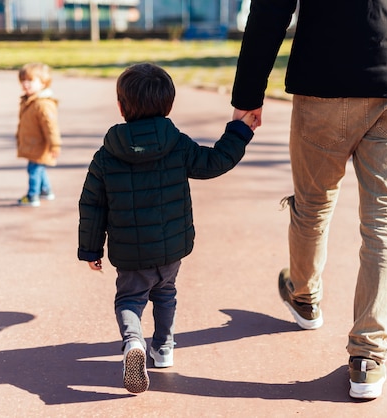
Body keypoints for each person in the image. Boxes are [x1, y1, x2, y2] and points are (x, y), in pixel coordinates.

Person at [231, 0, 387, 399]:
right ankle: (368, 357)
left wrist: (248, 94)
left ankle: (304, 297)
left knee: (312, 204)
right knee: (385, 222)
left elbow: (270, 10)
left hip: (323, 82)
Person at [77, 63, 255, 394]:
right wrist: (240, 130)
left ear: (120, 106)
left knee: (130, 299)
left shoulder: (106, 155)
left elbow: (91, 204)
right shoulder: (177, 144)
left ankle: (134, 343)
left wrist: (90, 249)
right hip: (171, 248)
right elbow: (214, 161)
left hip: (130, 253)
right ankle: (163, 347)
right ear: (168, 105)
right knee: (166, 293)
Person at [15, 62, 62, 207]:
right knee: (39, 169)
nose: (25, 84)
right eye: (23, 80)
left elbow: (51, 127)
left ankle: (32, 196)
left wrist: (55, 145)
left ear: (43, 83)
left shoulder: (42, 104)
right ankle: (46, 190)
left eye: (30, 81)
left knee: (34, 170)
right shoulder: (29, 100)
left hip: (40, 146)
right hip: (33, 144)